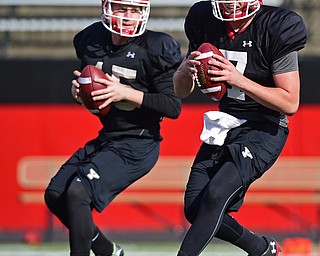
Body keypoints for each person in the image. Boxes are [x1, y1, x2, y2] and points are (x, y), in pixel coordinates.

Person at [44, 0, 182, 255]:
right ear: (107, 8)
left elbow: (172, 106)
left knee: (78, 193)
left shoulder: (156, 47)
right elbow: (93, 92)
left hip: (138, 143)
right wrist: (80, 93)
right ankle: (107, 250)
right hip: (108, 137)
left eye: (135, 10)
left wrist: (126, 92)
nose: (128, 16)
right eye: (122, 8)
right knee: (55, 194)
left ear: (144, 12)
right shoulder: (90, 39)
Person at [173, 0, 307, 256]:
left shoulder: (276, 26)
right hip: (227, 123)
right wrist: (184, 71)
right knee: (194, 209)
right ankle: (261, 249)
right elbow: (180, 91)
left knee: (215, 196)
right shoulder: (203, 19)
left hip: (265, 128)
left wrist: (239, 80)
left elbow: (290, 102)